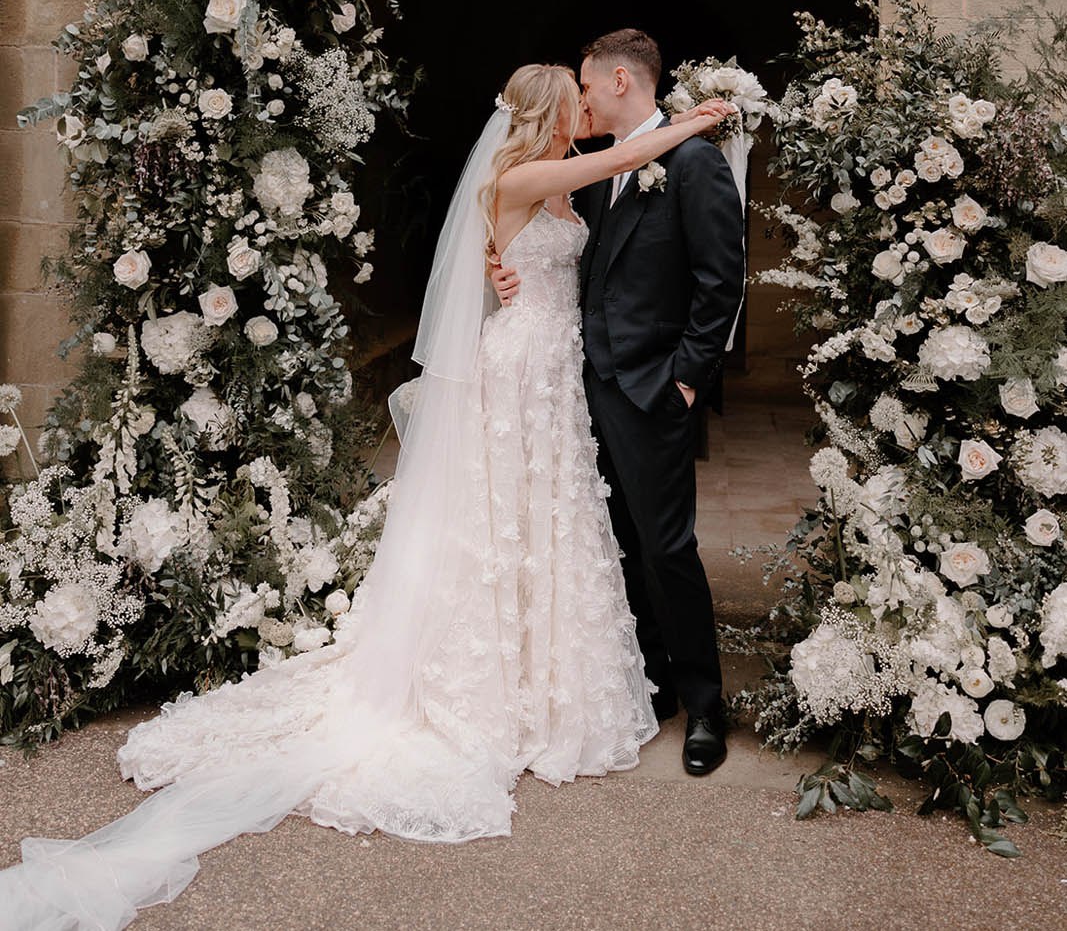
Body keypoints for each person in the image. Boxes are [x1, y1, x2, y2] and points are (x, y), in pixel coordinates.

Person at [1, 64, 731, 930]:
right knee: (510, 526)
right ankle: (503, 682)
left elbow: (582, 253)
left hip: (558, 373)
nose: (585, 110)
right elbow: (603, 172)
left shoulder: (558, 186)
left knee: (557, 525)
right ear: (545, 117)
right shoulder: (530, 174)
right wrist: (693, 122)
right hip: (521, 374)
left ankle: (559, 671)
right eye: (573, 103)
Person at [492, 30, 746, 777]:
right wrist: (496, 271)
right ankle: (655, 678)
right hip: (577, 384)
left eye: (585, 83)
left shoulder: (691, 162)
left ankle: (705, 705)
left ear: (619, 80)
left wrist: (688, 377)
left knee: (666, 545)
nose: (580, 96)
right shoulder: (583, 168)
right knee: (616, 544)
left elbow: (719, 281)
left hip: (650, 383)